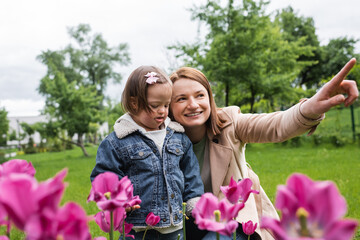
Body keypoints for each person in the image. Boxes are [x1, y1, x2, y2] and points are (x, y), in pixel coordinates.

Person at [169, 58, 359, 240]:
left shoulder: (230, 124)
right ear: (168, 106)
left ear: (209, 98)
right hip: (185, 223)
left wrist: (311, 107)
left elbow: (277, 125)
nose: (193, 104)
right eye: (181, 99)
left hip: (233, 221)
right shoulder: (160, 140)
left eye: (200, 95)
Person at [90, 66, 204, 240]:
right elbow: (105, 176)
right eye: (155, 105)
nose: (163, 111)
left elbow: (190, 173)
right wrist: (119, 202)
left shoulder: (177, 136)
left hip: (174, 226)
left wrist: (194, 200)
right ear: (134, 103)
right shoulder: (118, 141)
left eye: (166, 105)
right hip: (137, 227)